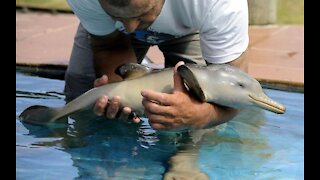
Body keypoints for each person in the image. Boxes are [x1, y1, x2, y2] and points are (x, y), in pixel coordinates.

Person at [64, 0, 249, 130]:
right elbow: (110, 45)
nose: (130, 28)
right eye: (116, 14)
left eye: (142, 14)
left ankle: (184, 160)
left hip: (190, 26)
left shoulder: (219, 4)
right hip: (113, 34)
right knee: (81, 91)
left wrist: (200, 116)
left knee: (201, 100)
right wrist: (119, 93)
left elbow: (234, 91)